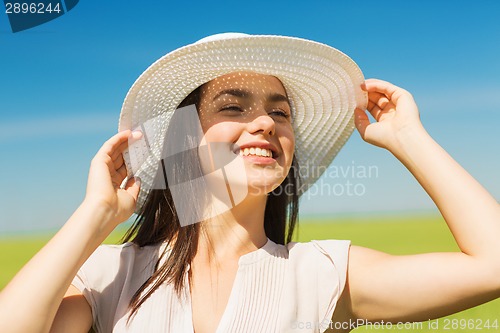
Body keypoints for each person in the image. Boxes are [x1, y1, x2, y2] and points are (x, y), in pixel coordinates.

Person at [0, 33, 499, 333]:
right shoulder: (109, 275)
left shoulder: (324, 274)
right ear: (181, 138)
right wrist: (96, 216)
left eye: (279, 113)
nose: (265, 124)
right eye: (233, 107)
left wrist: (409, 138)